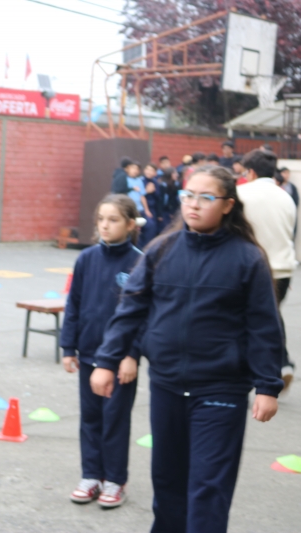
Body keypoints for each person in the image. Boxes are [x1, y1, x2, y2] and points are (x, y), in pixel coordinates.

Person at [90, 165, 283, 533]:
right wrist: (107, 360)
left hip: (221, 390)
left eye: (205, 197)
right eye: (188, 195)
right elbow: (130, 310)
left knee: (209, 485)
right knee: (168, 480)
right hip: (167, 386)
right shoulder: (161, 249)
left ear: (227, 205)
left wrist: (268, 386)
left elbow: (264, 326)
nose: (193, 204)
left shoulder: (247, 258)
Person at [61, 194, 143, 509]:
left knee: (115, 419)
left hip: (120, 362)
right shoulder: (86, 259)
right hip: (89, 357)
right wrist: (69, 346)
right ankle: (91, 475)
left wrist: (132, 355)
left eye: (114, 220)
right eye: (101, 219)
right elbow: (74, 304)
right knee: (91, 417)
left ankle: (114, 480)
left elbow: (144, 315)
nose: (105, 225)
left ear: (130, 225)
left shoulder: (139, 261)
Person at [238, 150, 298, 392]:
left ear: (250, 172)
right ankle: (282, 365)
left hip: (253, 267)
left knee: (249, 320)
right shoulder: (286, 197)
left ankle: (265, 371)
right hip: (283, 269)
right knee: (270, 316)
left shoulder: (241, 194)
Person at [141, 163, 161, 246]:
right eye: (147, 169)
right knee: (148, 227)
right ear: (144, 170)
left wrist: (153, 190)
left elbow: (158, 197)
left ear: (155, 173)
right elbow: (139, 195)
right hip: (142, 208)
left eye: (152, 170)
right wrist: (147, 191)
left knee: (154, 230)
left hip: (153, 209)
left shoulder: (155, 182)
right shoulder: (140, 181)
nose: (149, 172)